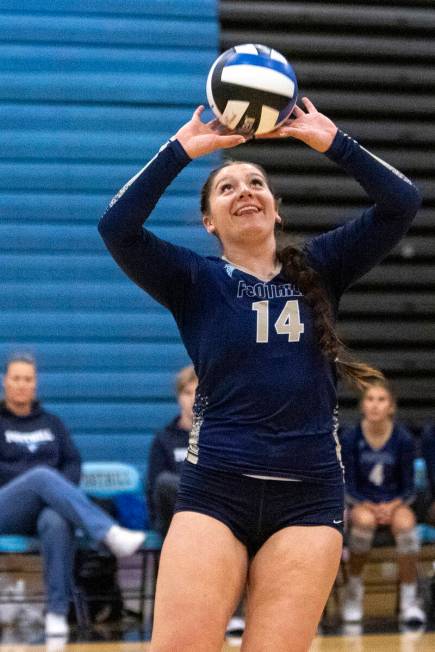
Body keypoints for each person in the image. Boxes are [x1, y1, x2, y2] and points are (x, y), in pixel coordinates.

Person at [98, 98, 421, 651]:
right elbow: (117, 227)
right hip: (216, 492)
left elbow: (402, 203)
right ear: (209, 221)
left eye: (256, 183)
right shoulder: (192, 279)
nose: (244, 190)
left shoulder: (322, 267)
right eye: (227, 188)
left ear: (276, 209)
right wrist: (181, 151)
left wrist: (333, 140)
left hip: (308, 500)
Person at [0, 353, 146, 637]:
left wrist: (52, 491)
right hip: (6, 506)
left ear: (35, 384)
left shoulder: (52, 423)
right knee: (41, 476)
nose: (21, 384)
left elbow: (72, 463)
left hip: (41, 509)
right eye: (16, 378)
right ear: (5, 382)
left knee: (57, 519)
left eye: (27, 379)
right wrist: (34, 485)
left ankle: (56, 613)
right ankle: (108, 533)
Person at [340, 380, 425, 625]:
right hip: (362, 503)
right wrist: (364, 504)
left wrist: (393, 505)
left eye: (381, 400)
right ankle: (354, 592)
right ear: (362, 406)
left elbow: (410, 484)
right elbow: (348, 482)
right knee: (363, 523)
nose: (375, 405)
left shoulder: (403, 438)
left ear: (391, 407)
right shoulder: (350, 437)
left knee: (406, 526)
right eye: (370, 399)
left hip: (394, 502)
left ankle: (410, 600)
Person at [146, 365, 197, 537]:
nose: (193, 399)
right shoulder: (164, 439)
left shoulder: (219, 436)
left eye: (199, 393)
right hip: (172, 518)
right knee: (165, 482)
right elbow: (155, 487)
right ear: (179, 397)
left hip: (211, 512)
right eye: (188, 393)